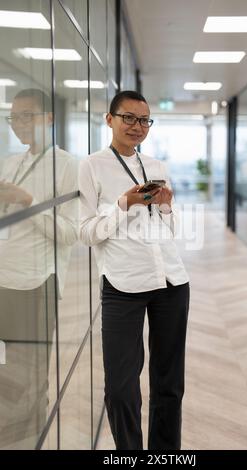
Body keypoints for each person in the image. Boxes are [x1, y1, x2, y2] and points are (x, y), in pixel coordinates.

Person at [79, 90, 190, 450]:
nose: (137, 127)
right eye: (128, 118)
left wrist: (168, 208)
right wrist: (122, 204)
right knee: (122, 387)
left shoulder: (156, 166)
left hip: (171, 281)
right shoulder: (92, 166)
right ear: (109, 119)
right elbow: (85, 232)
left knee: (169, 384)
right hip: (122, 283)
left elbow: (171, 233)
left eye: (144, 120)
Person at [0, 88, 78, 449]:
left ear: (50, 118)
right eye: (14, 117)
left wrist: (28, 201)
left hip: (36, 281)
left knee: (31, 374)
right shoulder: (9, 163)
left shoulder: (68, 166)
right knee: (5, 371)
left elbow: (69, 232)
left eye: (27, 115)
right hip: (3, 277)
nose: (19, 124)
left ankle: (31, 440)